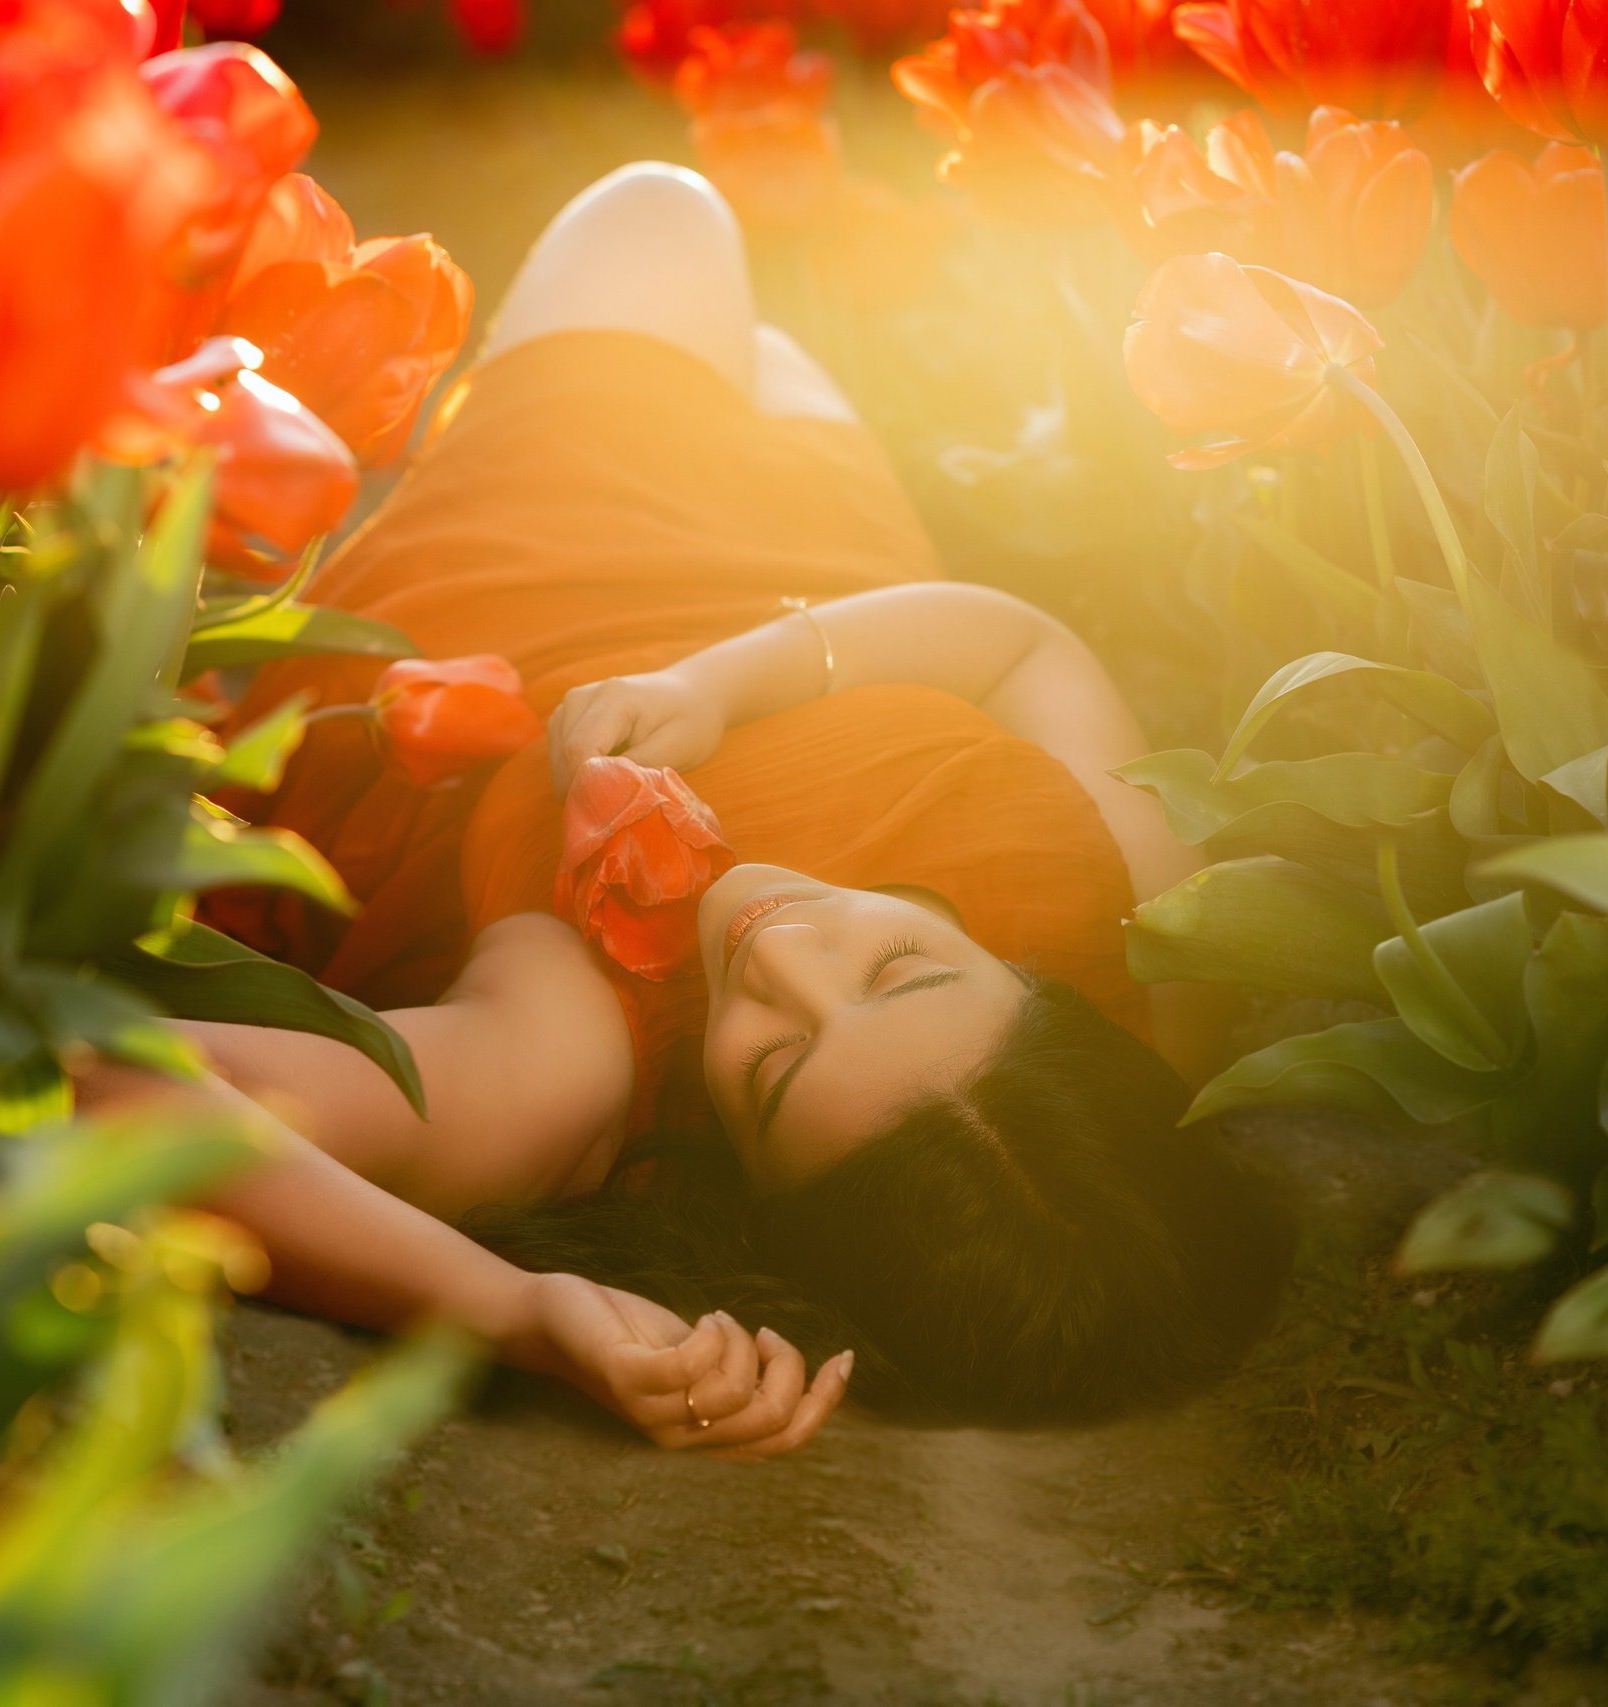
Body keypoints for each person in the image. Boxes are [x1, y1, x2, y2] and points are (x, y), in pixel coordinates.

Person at [91, 162, 1293, 1460]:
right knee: (760, 350)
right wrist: (717, 683)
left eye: (773, 1067)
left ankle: (526, 421)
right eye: (901, 965)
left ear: (759, 1198)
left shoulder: (579, 1066)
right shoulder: (1145, 947)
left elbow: (123, 1093)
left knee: (663, 214)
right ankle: (690, 385)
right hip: (819, 588)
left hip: (515, 593)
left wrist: (515, 1307)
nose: (773, 944)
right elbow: (1018, 651)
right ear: (1039, 987)